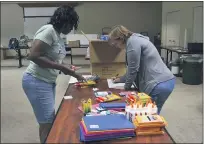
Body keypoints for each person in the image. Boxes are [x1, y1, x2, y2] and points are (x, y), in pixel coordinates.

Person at [22, 5, 86, 143]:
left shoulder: (57, 35)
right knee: (47, 122)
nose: (70, 29)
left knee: (47, 120)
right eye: (70, 25)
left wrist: (66, 66)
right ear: (63, 21)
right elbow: (33, 55)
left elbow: (52, 59)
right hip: (36, 80)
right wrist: (64, 69)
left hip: (47, 81)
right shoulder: (49, 31)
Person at [108, 25, 175, 114]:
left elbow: (133, 69)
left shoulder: (132, 42)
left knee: (148, 116)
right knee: (150, 114)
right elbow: (134, 68)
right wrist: (121, 79)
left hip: (158, 83)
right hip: (165, 81)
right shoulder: (136, 39)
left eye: (116, 43)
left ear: (120, 38)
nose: (116, 46)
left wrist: (126, 88)